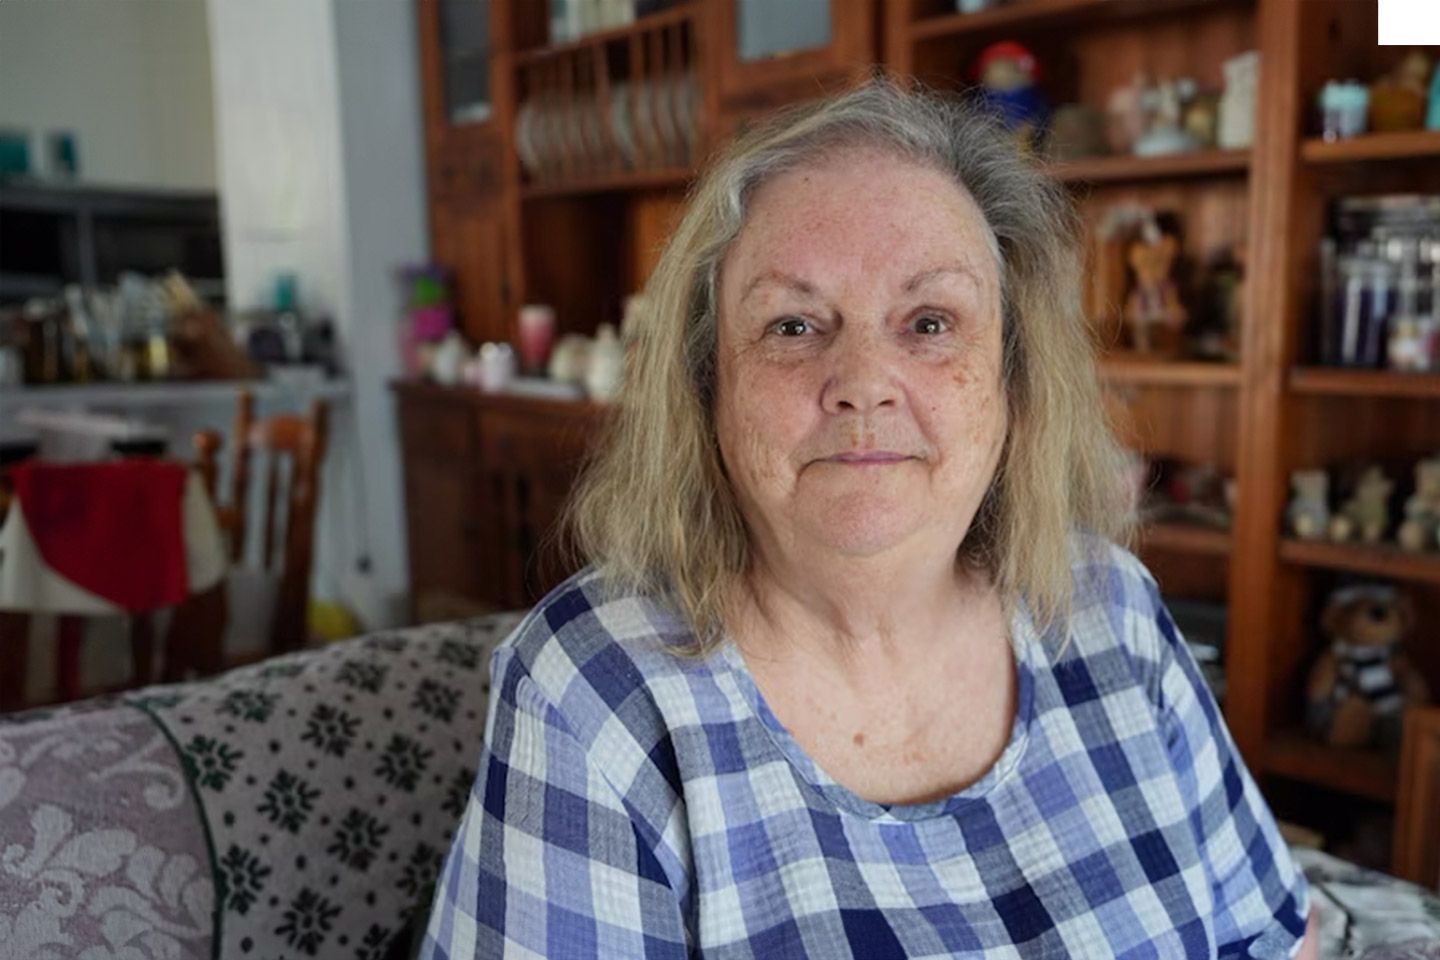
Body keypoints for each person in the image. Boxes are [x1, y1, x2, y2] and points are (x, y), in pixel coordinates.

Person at [421, 81, 1315, 959]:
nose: (863, 381)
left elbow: (1267, 938)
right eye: (794, 326)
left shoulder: (1108, 605)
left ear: (1012, 381)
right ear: (708, 387)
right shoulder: (595, 691)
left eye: (929, 321)